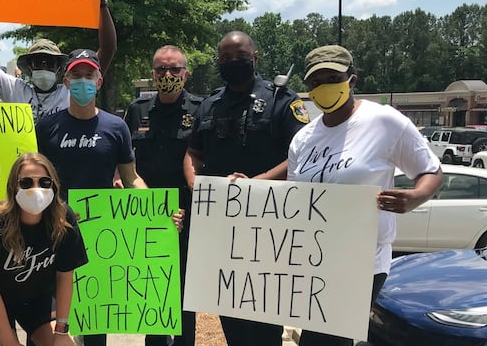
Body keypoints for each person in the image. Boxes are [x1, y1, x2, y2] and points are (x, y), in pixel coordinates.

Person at [287, 45, 443, 346]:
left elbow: (431, 171)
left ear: (352, 80)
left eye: (332, 77)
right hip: (315, 258)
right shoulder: (303, 139)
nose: (323, 87)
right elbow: (296, 198)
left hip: (364, 259)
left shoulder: (383, 121)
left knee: (325, 340)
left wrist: (415, 197)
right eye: (314, 82)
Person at [183, 31, 310, 346]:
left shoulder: (282, 101)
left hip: (270, 229)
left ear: (254, 58)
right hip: (223, 228)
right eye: (224, 58)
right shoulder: (210, 104)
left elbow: (302, 155)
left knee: (266, 320)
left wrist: (256, 184)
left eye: (238, 56)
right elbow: (193, 154)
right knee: (231, 315)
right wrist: (196, 183)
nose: (231, 63)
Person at [36, 49, 148, 346]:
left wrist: (157, 212)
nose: (83, 81)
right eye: (76, 75)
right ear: (66, 81)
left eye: (89, 76)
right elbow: (35, 182)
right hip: (53, 232)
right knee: (47, 322)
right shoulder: (46, 128)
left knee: (95, 320)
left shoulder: (116, 127)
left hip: (99, 235)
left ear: (99, 82)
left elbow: (131, 178)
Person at [0, 153, 87, 346]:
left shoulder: (64, 220)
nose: (36, 189)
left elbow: (65, 277)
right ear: (14, 186)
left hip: (37, 298)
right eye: (26, 183)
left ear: (53, 185)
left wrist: (62, 333)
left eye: (44, 182)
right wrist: (10, 342)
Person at [123, 45, 202, 346]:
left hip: (189, 213)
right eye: (160, 70)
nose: (167, 75)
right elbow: (125, 160)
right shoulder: (136, 110)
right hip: (146, 212)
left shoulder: (201, 109)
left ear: (186, 73)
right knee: (151, 289)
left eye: (174, 70)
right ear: (153, 73)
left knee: (185, 292)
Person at [0, 0, 116, 123]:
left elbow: (108, 49)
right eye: (38, 62)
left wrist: (102, 4)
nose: (44, 66)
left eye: (50, 62)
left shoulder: (70, 91)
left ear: (59, 69)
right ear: (29, 68)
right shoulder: (15, 90)